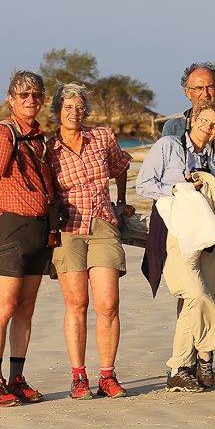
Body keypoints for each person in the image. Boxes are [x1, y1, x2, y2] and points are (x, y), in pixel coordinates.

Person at [137, 100, 215, 392]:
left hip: (209, 232)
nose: (209, 128)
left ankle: (190, 366)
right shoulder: (168, 145)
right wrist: (177, 189)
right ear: (194, 118)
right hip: (175, 230)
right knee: (195, 294)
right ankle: (195, 358)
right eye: (205, 121)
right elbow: (144, 185)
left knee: (202, 294)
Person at [46, 83, 134, 399]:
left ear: (86, 111)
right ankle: (79, 377)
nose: (74, 112)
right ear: (57, 111)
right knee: (77, 303)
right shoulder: (48, 146)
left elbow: (121, 165)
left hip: (103, 223)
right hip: (67, 229)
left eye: (79, 107)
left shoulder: (102, 137)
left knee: (108, 303)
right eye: (68, 107)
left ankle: (107, 376)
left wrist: (122, 200)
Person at [0, 71, 54, 407]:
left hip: (38, 230)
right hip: (11, 228)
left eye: (36, 95)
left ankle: (17, 379)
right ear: (11, 98)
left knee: (26, 308)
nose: (31, 101)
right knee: (4, 306)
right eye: (24, 95)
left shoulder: (38, 137)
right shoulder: (1, 135)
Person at [159, 62, 215, 379]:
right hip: (187, 223)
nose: (204, 94)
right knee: (189, 291)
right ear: (186, 92)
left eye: (210, 87)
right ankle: (187, 357)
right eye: (197, 88)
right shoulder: (173, 129)